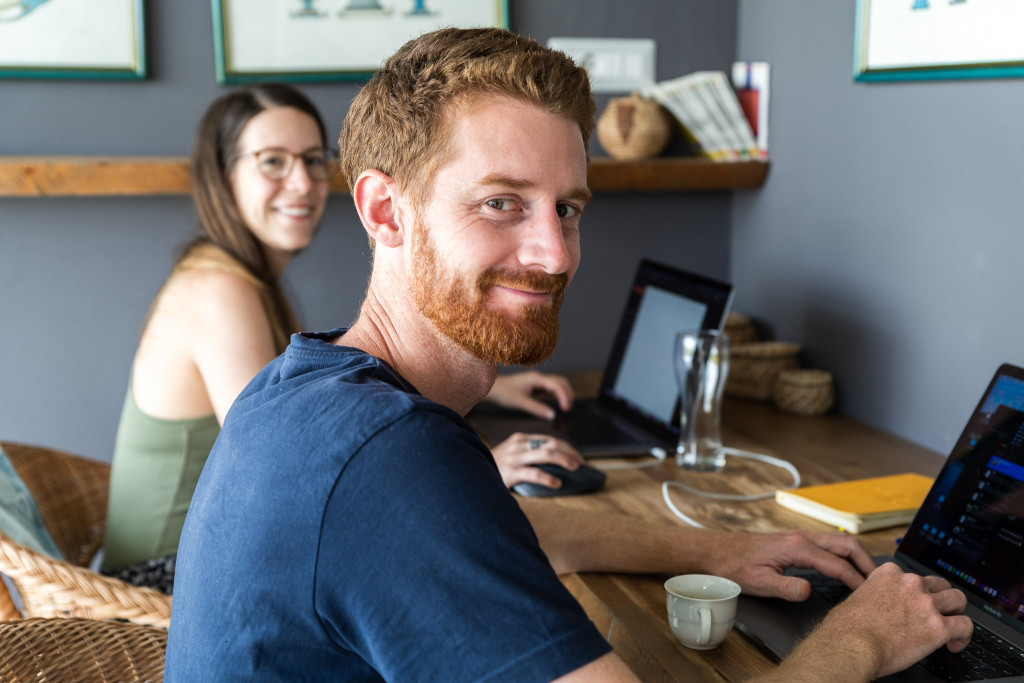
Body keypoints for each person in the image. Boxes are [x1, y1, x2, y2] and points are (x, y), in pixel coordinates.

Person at [164, 28, 972, 682]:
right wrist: (862, 638)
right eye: (501, 203)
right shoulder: (388, 456)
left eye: (568, 208)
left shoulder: (309, 381)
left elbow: (513, 526)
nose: (553, 254)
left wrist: (720, 549)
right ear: (386, 210)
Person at [100, 83, 581, 592]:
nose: (302, 183)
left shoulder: (245, 281)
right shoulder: (219, 291)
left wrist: (491, 391)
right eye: (272, 162)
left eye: (312, 160)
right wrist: (477, 466)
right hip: (162, 584)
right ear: (223, 176)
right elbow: (291, 469)